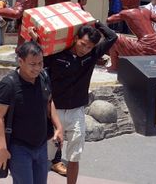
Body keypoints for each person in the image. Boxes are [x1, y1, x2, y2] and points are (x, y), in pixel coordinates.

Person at [44, 23, 118, 183]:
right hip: (53, 111)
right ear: (76, 38)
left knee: (74, 156)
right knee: (44, 156)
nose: (85, 49)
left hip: (76, 112)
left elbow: (112, 37)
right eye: (83, 44)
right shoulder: (56, 55)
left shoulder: (92, 56)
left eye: (89, 47)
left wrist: (95, 23)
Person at [0, 41, 63, 184]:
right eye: (32, 64)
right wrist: (2, 148)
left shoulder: (43, 77)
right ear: (21, 61)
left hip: (41, 146)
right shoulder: (9, 84)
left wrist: (59, 127)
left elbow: (49, 102)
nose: (37, 68)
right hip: (19, 148)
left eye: (40, 63)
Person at [105, 0, 156, 72]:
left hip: (145, 49)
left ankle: (114, 66)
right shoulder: (146, 11)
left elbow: (108, 20)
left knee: (114, 37)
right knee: (130, 40)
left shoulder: (126, 13)